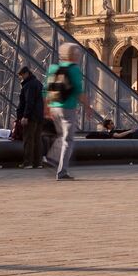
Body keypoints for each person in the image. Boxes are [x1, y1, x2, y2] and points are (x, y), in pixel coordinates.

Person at [45, 42, 84, 180]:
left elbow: (47, 90)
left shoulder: (53, 68)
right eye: (78, 54)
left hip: (55, 107)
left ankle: (52, 157)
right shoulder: (74, 69)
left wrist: (47, 108)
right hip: (68, 107)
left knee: (61, 136)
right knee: (68, 140)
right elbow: (79, 90)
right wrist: (88, 106)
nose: (79, 56)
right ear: (73, 55)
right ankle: (61, 171)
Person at [14, 66, 46, 170]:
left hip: (31, 117)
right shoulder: (38, 83)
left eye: (21, 75)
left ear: (27, 73)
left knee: (28, 140)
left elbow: (29, 102)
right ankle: (38, 163)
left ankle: (28, 162)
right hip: (39, 116)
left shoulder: (29, 85)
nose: (21, 78)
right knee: (37, 140)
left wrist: (25, 116)